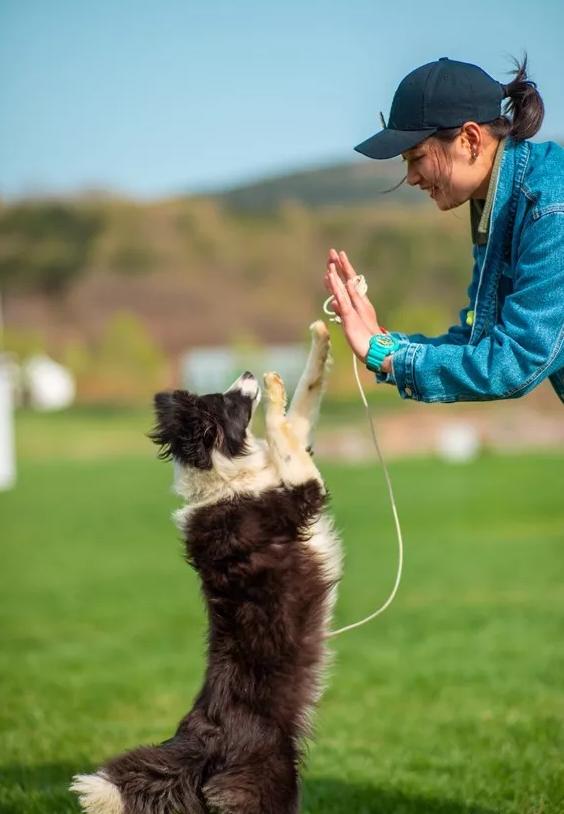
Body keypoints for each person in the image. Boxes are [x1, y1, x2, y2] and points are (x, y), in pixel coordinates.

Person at [324, 56, 564, 404]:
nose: (411, 178)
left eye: (416, 157)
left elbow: (517, 359)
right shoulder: (501, 202)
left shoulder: (550, 211)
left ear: (469, 139)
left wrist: (393, 359)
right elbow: (478, 341)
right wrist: (382, 345)